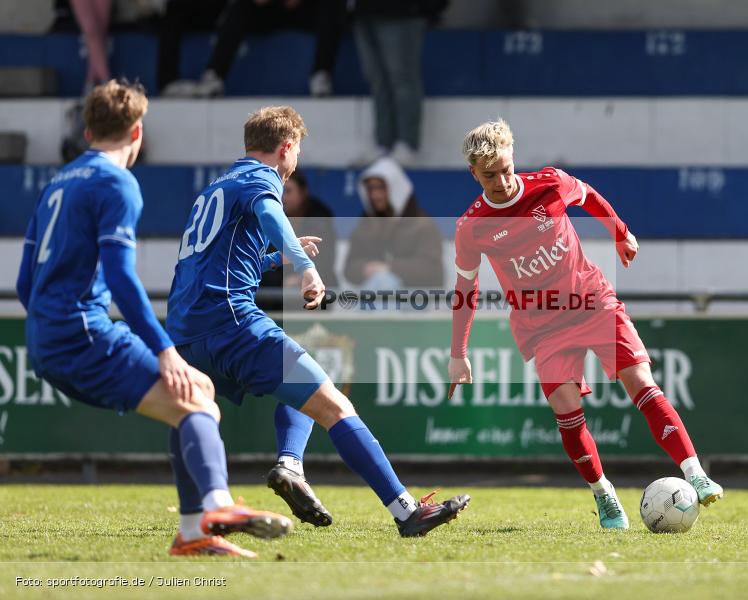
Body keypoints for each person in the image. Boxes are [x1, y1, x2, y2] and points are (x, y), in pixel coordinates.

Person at [16, 79, 292, 558]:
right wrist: (166, 351)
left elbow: (24, 283)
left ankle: (191, 534)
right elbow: (121, 277)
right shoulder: (117, 182)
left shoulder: (56, 183)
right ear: (138, 132)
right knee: (198, 401)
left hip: (44, 336)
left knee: (193, 397)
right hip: (82, 330)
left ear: (86, 132)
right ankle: (217, 507)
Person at [165, 105, 469, 536]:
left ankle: (225, 504)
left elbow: (216, 255)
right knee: (334, 404)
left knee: (203, 411)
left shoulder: (217, 186)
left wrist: (277, 255)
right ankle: (406, 512)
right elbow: (272, 215)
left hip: (185, 330)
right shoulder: (261, 178)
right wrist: (303, 264)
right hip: (232, 320)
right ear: (286, 148)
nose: (295, 163)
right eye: (297, 152)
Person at [447, 119, 724, 529]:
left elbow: (589, 196)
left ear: (513, 158)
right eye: (490, 175)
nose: (502, 181)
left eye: (506, 169)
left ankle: (694, 472)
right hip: (541, 325)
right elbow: (465, 289)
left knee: (640, 381)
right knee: (566, 409)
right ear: (474, 172)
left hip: (591, 300)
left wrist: (620, 232)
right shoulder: (472, 227)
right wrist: (458, 353)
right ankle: (604, 494)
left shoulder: (549, 184)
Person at [162, 0, 345, 98]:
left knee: (333, 5)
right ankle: (214, 75)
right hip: (268, 10)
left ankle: (321, 74)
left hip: (305, 11)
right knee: (241, 7)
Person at [350, 0, 448, 165]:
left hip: (402, 12)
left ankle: (407, 143)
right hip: (363, 11)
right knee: (377, 80)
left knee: (402, 78)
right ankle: (383, 143)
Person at [344, 156, 444, 290]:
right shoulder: (366, 224)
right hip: (374, 294)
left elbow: (431, 269)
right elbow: (349, 268)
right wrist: (365, 268)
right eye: (371, 189)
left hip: (418, 300)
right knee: (380, 283)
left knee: (384, 282)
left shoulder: (422, 224)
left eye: (381, 188)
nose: (375, 195)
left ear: (396, 188)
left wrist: (389, 268)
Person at [259, 169, 338, 306]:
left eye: (288, 191)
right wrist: (282, 282)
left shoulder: (319, 215)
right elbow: (267, 260)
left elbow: (325, 260)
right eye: (281, 192)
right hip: (276, 291)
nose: (283, 198)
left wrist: (300, 276)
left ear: (303, 192)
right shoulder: (272, 216)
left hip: (317, 283)